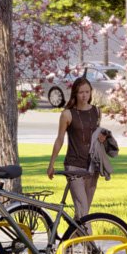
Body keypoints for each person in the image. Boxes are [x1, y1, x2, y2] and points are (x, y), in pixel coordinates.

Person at [45, 77, 105, 219]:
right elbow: (59, 139)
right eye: (81, 92)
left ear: (91, 92)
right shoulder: (67, 114)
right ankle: (91, 242)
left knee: (82, 213)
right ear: (75, 94)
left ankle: (70, 241)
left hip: (92, 167)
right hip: (73, 167)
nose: (84, 95)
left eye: (87, 92)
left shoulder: (97, 112)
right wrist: (51, 164)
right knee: (83, 213)